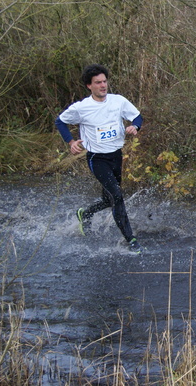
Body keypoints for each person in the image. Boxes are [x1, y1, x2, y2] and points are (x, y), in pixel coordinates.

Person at [55, 64, 144, 253]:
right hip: (97, 159)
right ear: (89, 86)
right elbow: (60, 121)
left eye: (104, 81)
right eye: (98, 83)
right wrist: (70, 142)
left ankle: (85, 213)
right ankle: (131, 240)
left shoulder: (118, 101)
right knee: (117, 197)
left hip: (116, 156)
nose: (103, 85)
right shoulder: (82, 108)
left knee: (109, 199)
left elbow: (137, 117)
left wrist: (135, 127)